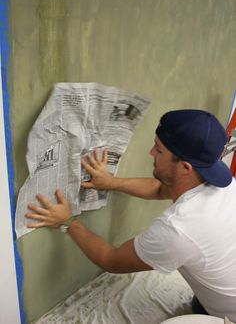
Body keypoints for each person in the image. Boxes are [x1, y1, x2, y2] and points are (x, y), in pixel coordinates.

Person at [25, 109, 236, 321]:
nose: (151, 152)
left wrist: (68, 221)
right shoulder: (223, 184)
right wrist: (110, 183)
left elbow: (112, 260)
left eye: (159, 150)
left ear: (184, 167)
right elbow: (162, 189)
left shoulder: (178, 230)